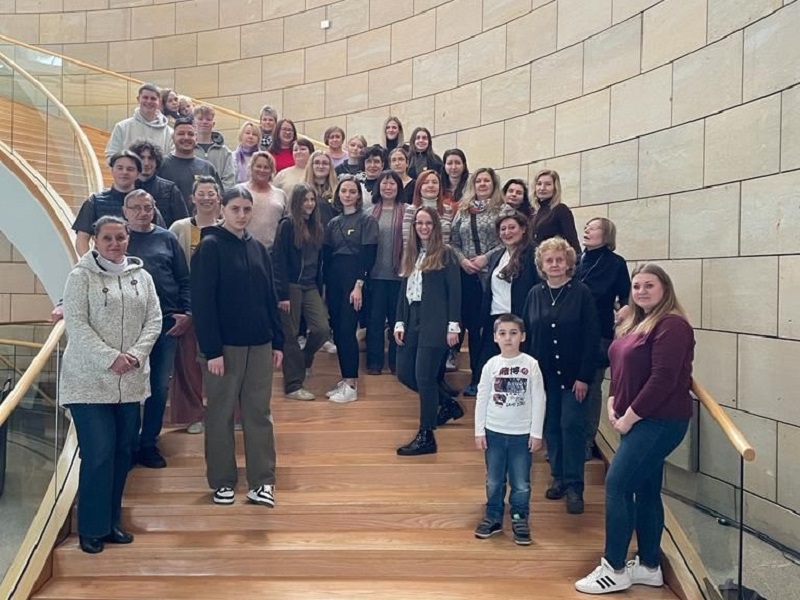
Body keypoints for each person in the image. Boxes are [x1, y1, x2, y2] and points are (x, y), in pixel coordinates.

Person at [575, 264, 694, 595]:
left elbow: (663, 379)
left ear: (665, 289)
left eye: (649, 285)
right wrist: (613, 397)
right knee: (645, 488)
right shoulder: (637, 322)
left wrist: (629, 416)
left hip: (659, 421)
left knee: (616, 484)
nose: (641, 290)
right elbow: (621, 366)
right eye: (637, 286)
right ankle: (649, 565)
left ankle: (613, 568)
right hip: (638, 419)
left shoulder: (672, 325)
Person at [60, 216, 162, 554]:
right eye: (108, 238)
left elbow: (154, 320)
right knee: (99, 453)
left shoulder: (142, 277)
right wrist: (110, 357)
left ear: (128, 239)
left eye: (120, 237)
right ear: (95, 241)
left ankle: (111, 523)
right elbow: (76, 323)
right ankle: (91, 527)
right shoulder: (80, 277)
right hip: (88, 383)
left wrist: (134, 355)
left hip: (129, 382)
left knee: (122, 454)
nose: (115, 243)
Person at [191, 187, 285, 507]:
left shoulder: (258, 248)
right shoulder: (210, 247)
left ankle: (262, 481)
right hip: (225, 348)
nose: (242, 215)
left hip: (259, 343)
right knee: (220, 414)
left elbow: (269, 298)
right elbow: (202, 303)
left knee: (259, 413)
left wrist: (278, 341)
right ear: (222, 208)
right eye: (236, 209)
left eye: (247, 209)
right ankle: (222, 480)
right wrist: (212, 350)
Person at [522, 236, 599, 515]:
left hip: (574, 378)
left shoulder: (581, 293)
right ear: (542, 265)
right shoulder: (534, 294)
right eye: (549, 260)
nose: (554, 264)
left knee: (571, 427)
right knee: (551, 427)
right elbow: (528, 337)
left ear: (569, 263)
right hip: (544, 377)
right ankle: (558, 478)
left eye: (559, 259)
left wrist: (584, 376)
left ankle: (575, 486)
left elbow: (591, 338)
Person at [123, 190, 192, 469]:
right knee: (129, 386)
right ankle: (127, 444)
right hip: (127, 326)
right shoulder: (118, 239)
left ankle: (148, 443)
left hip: (165, 323)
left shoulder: (167, 238)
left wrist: (187, 313)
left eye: (148, 207)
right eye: (136, 208)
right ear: (125, 210)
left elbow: (184, 279)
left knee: (158, 387)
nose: (142, 212)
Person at [473, 314, 545, 546]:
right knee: (494, 480)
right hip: (494, 432)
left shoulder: (531, 365)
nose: (508, 338)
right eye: (502, 333)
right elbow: (482, 398)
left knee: (521, 482)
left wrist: (536, 433)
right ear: (495, 337)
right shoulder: (491, 365)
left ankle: (519, 517)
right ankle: (493, 515)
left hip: (521, 435)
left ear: (522, 336)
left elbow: (539, 399)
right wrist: (479, 431)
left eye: (513, 333)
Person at [394, 206, 461, 456]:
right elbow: (404, 291)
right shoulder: (411, 253)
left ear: (435, 227)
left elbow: (455, 292)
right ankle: (447, 403)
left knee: (424, 377)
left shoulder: (445, 254)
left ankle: (426, 435)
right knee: (404, 373)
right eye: (419, 223)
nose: (423, 227)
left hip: (436, 320)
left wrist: (453, 325)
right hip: (412, 319)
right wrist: (400, 321)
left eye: (428, 223)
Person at [168, 176, 221, 433]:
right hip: (188, 303)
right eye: (202, 193)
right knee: (188, 363)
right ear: (192, 197)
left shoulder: (228, 225)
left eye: (211, 193)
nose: (207, 197)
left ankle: (226, 411)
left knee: (222, 361)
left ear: (219, 197)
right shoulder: (179, 228)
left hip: (221, 305)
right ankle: (194, 414)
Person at [576, 217, 631, 461]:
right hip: (570, 332)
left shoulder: (616, 263)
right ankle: (568, 437)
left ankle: (587, 440)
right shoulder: (576, 259)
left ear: (606, 233)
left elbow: (627, 296)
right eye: (586, 227)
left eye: (594, 227)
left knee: (591, 385)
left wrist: (626, 308)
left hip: (599, 332)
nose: (587, 230)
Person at [323, 176, 378, 403]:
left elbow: (368, 255)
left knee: (347, 330)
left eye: (352, 191)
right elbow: (326, 257)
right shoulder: (332, 223)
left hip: (353, 281)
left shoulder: (366, 221)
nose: (347, 194)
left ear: (358, 195)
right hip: (334, 281)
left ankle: (352, 384)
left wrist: (358, 285)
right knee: (338, 332)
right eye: (343, 191)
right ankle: (345, 379)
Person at [450, 167, 504, 395]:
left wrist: (485, 259)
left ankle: (480, 377)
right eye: (478, 181)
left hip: (492, 275)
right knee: (468, 325)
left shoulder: (502, 209)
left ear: (493, 185)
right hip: (466, 275)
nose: (482, 184)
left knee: (483, 330)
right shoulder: (462, 210)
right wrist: (463, 260)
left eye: (487, 181)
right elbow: (452, 240)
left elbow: (509, 239)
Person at [272, 183, 329, 401]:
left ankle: (304, 359)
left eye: (312, 200)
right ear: (297, 202)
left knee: (322, 329)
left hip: (311, 285)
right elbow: (278, 260)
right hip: (291, 287)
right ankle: (293, 385)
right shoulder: (287, 225)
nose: (309, 204)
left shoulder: (317, 227)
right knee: (291, 335)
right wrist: (282, 294)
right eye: (305, 200)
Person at [476, 210, 539, 376]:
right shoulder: (497, 255)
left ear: (523, 229)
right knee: (490, 371)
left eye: (512, 227)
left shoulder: (533, 254)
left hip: (518, 320)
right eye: (503, 229)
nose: (507, 232)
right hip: (494, 320)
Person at [72, 151, 165, 256]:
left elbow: (161, 236)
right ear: (112, 170)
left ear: (138, 174)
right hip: (105, 265)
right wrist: (91, 265)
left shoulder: (147, 203)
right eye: (120, 168)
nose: (124, 172)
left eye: (130, 169)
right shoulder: (94, 202)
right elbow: (82, 240)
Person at [365, 170, 405, 375]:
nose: (388, 187)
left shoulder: (408, 211)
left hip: (399, 276)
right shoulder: (369, 212)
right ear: (378, 187)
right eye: (384, 184)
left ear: (398, 188)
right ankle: (374, 363)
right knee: (375, 321)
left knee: (398, 321)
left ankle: (397, 363)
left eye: (392, 184)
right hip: (376, 275)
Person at [158, 117, 222, 211]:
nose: (186, 137)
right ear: (173, 137)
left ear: (196, 138)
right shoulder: (161, 165)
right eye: (181, 134)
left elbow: (220, 200)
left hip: (202, 223)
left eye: (190, 134)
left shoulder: (207, 168)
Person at [105, 83, 173, 160]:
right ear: (138, 99)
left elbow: (171, 161)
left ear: (159, 102)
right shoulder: (121, 127)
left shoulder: (170, 133)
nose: (149, 101)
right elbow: (111, 155)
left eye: (153, 98)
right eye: (145, 97)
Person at [129, 140, 188, 228]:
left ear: (157, 161)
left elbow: (183, 224)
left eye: (151, 158)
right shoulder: (126, 188)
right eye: (141, 158)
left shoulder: (170, 189)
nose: (146, 163)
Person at [239, 150, 288, 250]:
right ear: (251, 167)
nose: (262, 170)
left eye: (266, 167)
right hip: (243, 248)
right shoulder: (239, 191)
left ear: (272, 171)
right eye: (258, 166)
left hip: (272, 252)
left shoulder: (280, 194)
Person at [531, 169, 581, 253]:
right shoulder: (536, 213)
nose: (542, 188)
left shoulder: (561, 209)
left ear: (555, 187)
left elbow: (572, 240)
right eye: (539, 184)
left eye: (548, 184)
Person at [401, 169, 453, 250]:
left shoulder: (447, 210)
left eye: (435, 182)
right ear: (419, 187)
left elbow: (450, 240)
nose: (431, 185)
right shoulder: (411, 210)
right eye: (426, 182)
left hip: (443, 258)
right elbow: (407, 243)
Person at [193, 104, 236, 190]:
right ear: (194, 123)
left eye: (208, 119)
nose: (204, 122)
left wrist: (218, 197)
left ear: (213, 124)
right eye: (200, 119)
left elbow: (229, 180)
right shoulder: (187, 150)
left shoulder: (225, 152)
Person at [442, 149, 469, 214]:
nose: (453, 167)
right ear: (444, 166)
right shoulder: (438, 187)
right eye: (449, 163)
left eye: (457, 163)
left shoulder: (471, 187)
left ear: (464, 165)